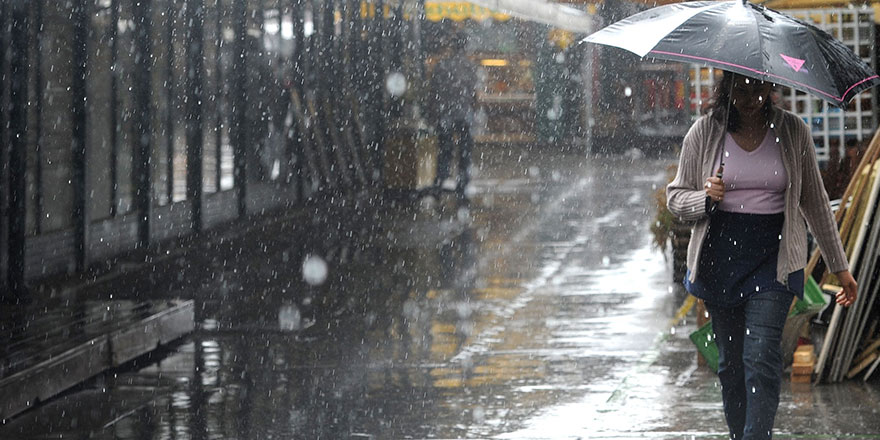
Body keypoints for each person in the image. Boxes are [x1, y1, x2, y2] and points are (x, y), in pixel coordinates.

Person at [666, 71, 858, 440]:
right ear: (726, 87)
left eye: (759, 85)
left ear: (772, 87)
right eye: (741, 86)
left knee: (761, 356)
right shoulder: (705, 133)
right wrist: (705, 199)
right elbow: (676, 198)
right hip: (720, 259)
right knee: (732, 367)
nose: (751, 95)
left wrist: (840, 266)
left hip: (774, 257)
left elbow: (815, 203)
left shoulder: (793, 132)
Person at [428, 31, 478, 202]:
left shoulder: (441, 66)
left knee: (445, 151)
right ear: (465, 46)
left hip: (445, 114)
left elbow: (433, 93)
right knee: (464, 153)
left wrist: (433, 113)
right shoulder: (470, 67)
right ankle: (462, 186)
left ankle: (439, 184)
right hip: (464, 114)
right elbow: (473, 95)